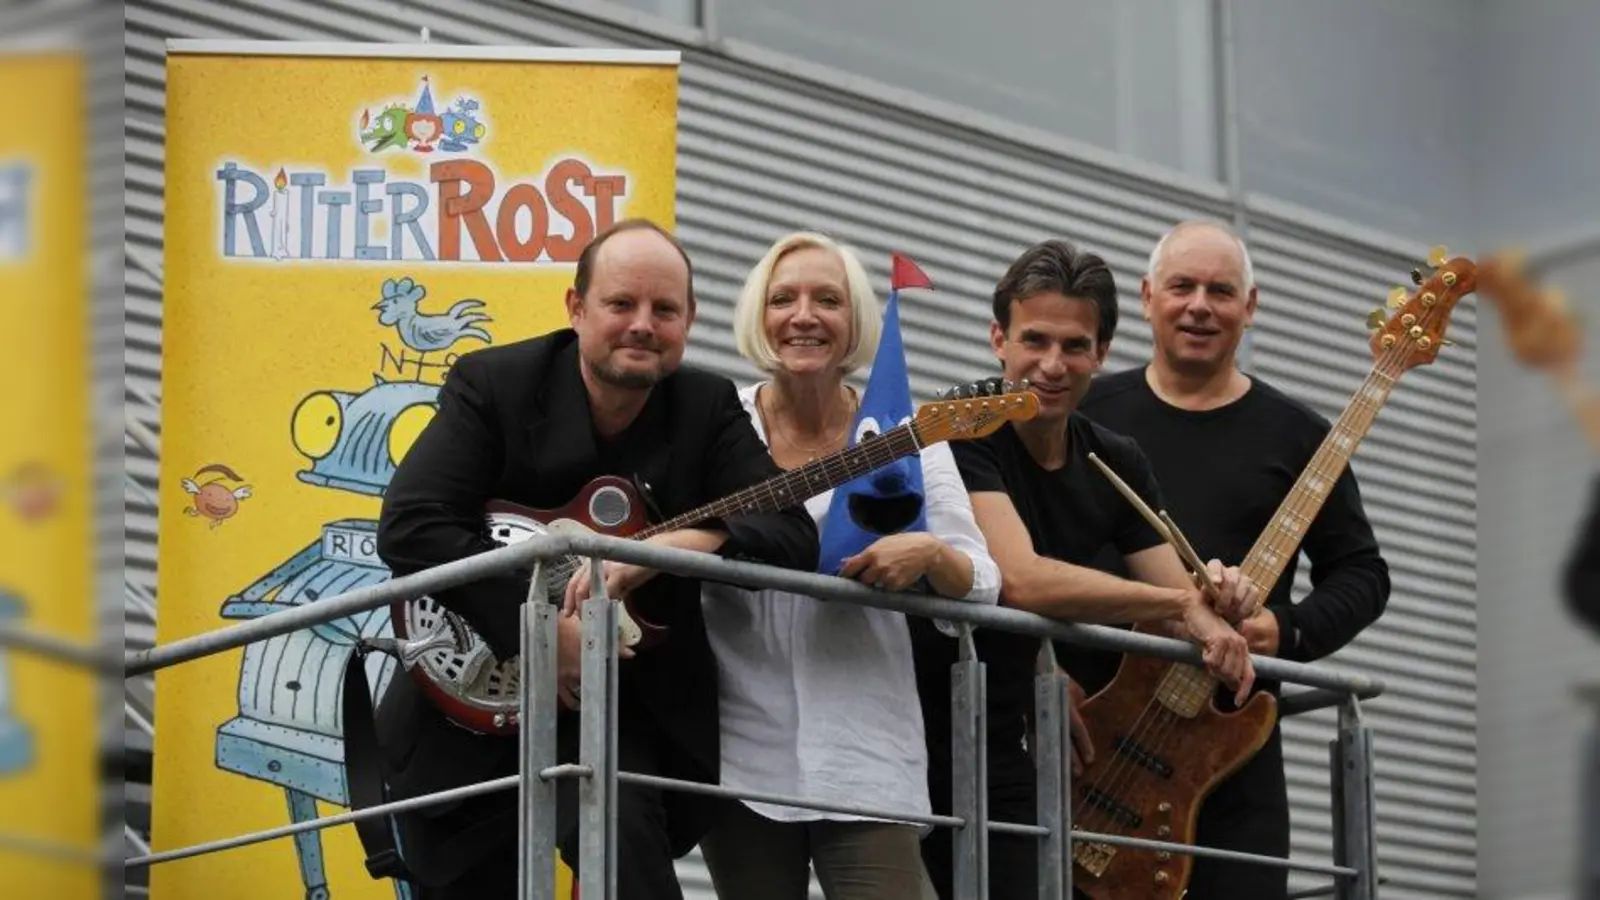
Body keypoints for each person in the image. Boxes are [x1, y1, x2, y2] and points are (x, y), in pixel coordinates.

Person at [372, 218, 821, 899]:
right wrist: (546, 638)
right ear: (576, 308)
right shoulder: (495, 383)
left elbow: (790, 532)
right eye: (621, 304)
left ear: (689, 320)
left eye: (664, 309)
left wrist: (678, 545)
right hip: (466, 710)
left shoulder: (705, 406)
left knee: (625, 853)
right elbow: (411, 523)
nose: (643, 324)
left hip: (620, 715)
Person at [915, 237, 1261, 900]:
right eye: (1034, 340)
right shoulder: (968, 421)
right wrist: (1180, 607)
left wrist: (1218, 593)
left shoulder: (1114, 457)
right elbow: (1022, 579)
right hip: (918, 722)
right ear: (998, 339)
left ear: (1101, 354)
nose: (1052, 365)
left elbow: (1182, 602)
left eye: (1075, 346)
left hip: (1011, 727)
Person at [1078, 219, 1391, 900]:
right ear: (1146, 297)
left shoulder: (1299, 433)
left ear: (1250, 307)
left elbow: (1363, 574)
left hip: (1230, 758)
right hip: (1091, 737)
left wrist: (1285, 631)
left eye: (1221, 291)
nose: (1199, 305)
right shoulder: (1087, 414)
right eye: (1182, 287)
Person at [696, 231, 1001, 899]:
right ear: (758, 316)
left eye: (827, 300)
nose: (804, 316)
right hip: (739, 748)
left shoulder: (905, 429)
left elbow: (984, 582)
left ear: (855, 321)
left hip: (865, 751)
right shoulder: (717, 421)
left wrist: (930, 553)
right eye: (784, 299)